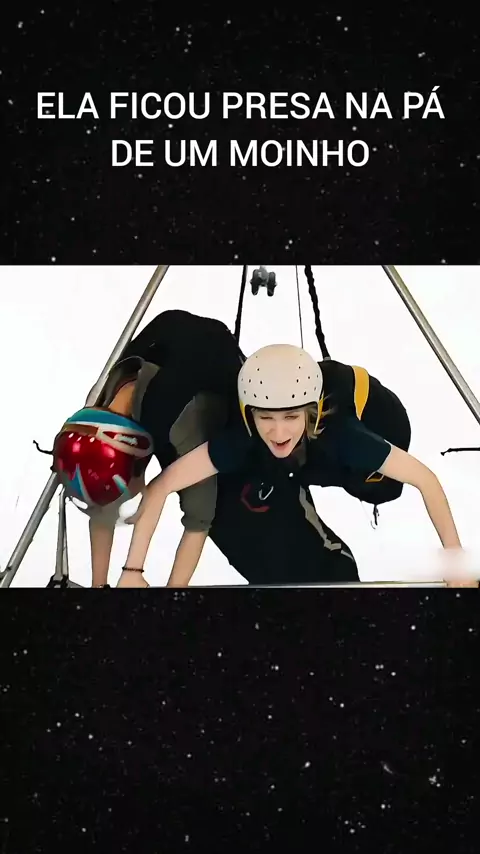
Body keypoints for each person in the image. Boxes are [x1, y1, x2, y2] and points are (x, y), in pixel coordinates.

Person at [121, 344, 478, 588]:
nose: (278, 432)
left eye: (290, 417)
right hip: (308, 447)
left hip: (380, 427)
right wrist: (132, 571)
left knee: (379, 487)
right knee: (271, 464)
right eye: (266, 418)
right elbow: (164, 484)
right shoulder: (243, 436)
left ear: (309, 413)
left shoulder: (344, 436)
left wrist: (455, 560)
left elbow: (425, 480)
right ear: (250, 415)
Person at [52, 312, 358, 588]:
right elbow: (102, 508)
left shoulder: (181, 424)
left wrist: (138, 574)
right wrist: (100, 587)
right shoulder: (97, 409)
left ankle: (335, 573)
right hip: (175, 352)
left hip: (229, 425)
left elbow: (196, 520)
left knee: (248, 524)